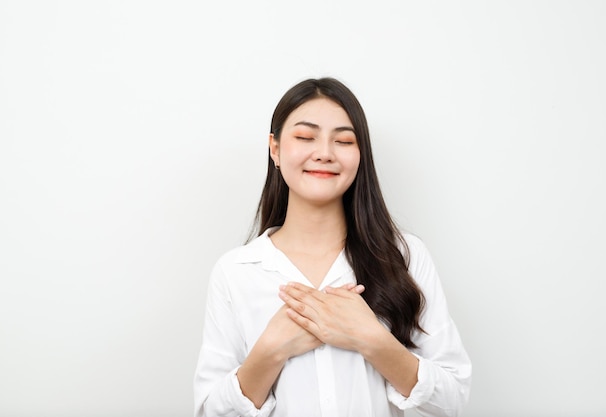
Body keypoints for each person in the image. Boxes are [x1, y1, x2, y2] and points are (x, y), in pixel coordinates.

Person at [194, 77, 471, 417]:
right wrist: (270, 351)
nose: (324, 153)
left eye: (343, 140)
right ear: (276, 148)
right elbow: (209, 412)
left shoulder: (405, 257)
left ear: (360, 155)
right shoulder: (236, 272)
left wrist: (372, 339)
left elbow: (453, 400)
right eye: (305, 137)